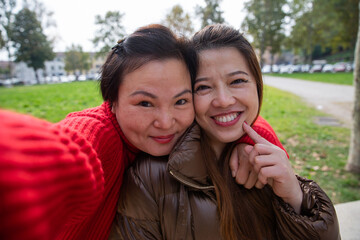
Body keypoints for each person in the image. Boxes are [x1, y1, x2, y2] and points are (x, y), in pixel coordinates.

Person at [0, 24, 283, 240]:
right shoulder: (101, 135)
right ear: (111, 102)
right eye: (145, 103)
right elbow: (60, 157)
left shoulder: (190, 127)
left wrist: (248, 141)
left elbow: (228, 115)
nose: (165, 121)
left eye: (181, 100)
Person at [110, 24, 340, 240]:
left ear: (257, 86)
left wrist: (295, 198)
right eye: (203, 87)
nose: (223, 100)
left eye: (237, 81)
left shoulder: (270, 163)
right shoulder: (150, 177)